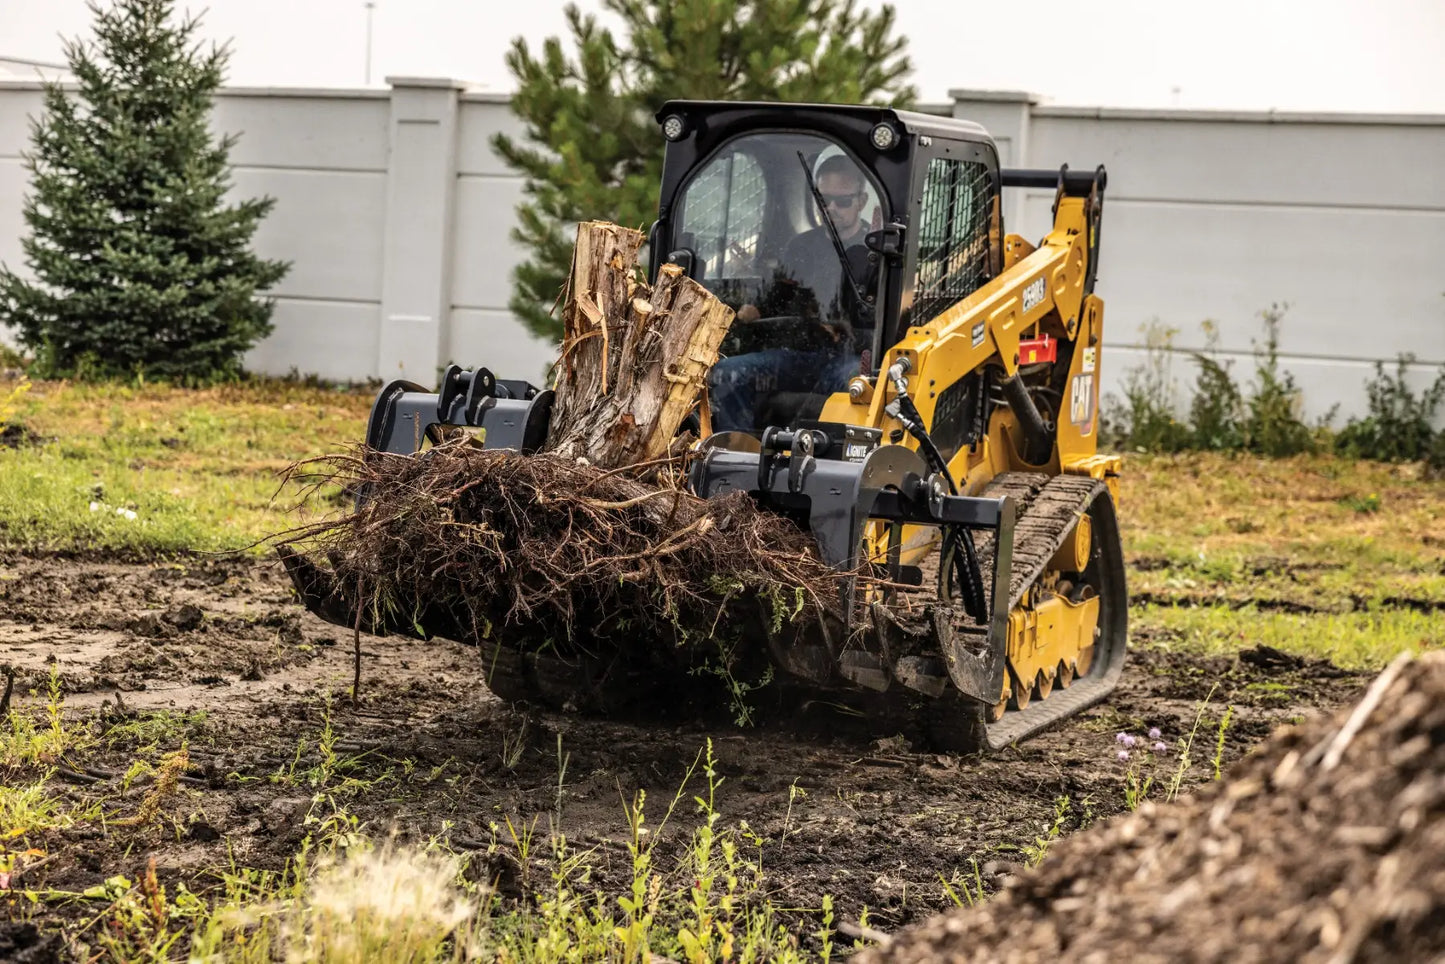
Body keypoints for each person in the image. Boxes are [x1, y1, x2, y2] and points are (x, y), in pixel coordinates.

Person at [710, 154, 880, 432]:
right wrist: (753, 307)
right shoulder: (800, 247)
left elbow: (883, 324)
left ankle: (833, 460)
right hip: (800, 355)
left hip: (850, 357)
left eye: (843, 201)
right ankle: (738, 449)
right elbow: (779, 295)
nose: (831, 208)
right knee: (727, 372)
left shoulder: (876, 254)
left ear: (861, 202)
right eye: (824, 200)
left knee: (855, 385)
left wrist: (846, 331)